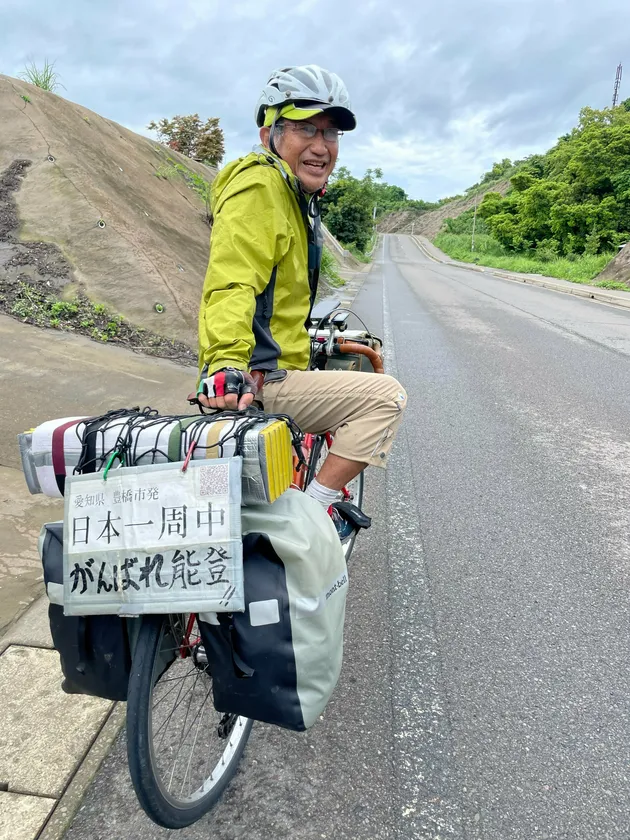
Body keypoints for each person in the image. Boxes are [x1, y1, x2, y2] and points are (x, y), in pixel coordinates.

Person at [196, 64, 406, 538]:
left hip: (270, 365)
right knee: (385, 398)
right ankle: (311, 516)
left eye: (330, 132)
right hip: (256, 377)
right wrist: (226, 361)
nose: (321, 145)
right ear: (269, 132)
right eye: (305, 127)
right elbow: (232, 281)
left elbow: (276, 297)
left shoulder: (293, 195)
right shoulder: (259, 184)